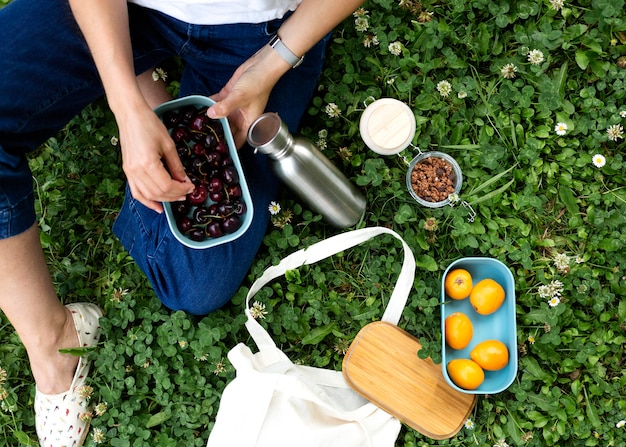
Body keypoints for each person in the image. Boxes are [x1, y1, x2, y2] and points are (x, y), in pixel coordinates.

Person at [0, 0, 365, 445]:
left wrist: (274, 62)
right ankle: (54, 343)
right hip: (124, 8)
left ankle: (155, 99)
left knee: (196, 282)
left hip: (259, 28)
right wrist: (124, 105)